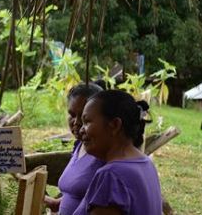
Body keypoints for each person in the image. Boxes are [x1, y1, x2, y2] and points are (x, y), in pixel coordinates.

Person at [73, 90, 162, 215]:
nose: (81, 130)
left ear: (114, 125)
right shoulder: (146, 163)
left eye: (87, 122)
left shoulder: (111, 175)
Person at [44, 83, 104, 215]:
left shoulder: (104, 154)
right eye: (71, 114)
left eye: (83, 116)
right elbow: (80, 192)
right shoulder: (80, 145)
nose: (76, 122)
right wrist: (57, 203)